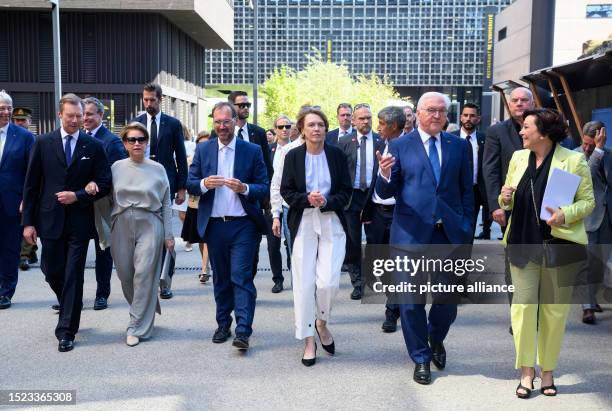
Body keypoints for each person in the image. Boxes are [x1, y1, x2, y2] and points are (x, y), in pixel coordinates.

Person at [376, 92, 474, 385]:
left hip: (448, 234)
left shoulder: (458, 146)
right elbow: (384, 195)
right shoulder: (399, 145)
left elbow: (466, 191)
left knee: (448, 300)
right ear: (417, 113)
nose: (437, 115)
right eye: (431, 110)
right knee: (409, 301)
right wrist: (383, 175)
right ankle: (420, 357)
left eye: (442, 111)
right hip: (410, 234)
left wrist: (466, 227)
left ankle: (434, 337)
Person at [500, 108, 594, 398]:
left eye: (526, 127)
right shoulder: (518, 158)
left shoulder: (573, 160)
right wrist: (504, 199)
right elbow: (507, 201)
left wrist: (565, 215)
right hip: (521, 244)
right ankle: (526, 372)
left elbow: (588, 202)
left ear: (543, 132)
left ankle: (548, 372)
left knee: (554, 313)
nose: (521, 132)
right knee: (523, 310)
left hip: (559, 246)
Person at [22, 94, 111, 352]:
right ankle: (70, 304)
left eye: (78, 116)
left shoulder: (92, 146)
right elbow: (30, 186)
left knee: (74, 274)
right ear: (60, 115)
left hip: (79, 223)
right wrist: (28, 223)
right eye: (69, 116)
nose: (74, 120)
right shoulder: (42, 143)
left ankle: (66, 330)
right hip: (48, 220)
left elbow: (105, 183)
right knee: (51, 271)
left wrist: (79, 195)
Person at [187, 102, 269, 351]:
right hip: (214, 225)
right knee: (221, 279)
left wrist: (244, 188)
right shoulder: (204, 149)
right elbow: (189, 182)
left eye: (227, 121)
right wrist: (203, 183)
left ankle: (243, 331)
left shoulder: (251, 150)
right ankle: (223, 324)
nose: (222, 126)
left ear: (235, 121)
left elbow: (264, 186)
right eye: (218, 122)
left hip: (244, 224)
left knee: (241, 277)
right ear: (213, 122)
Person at [281, 107, 351, 366]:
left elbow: (346, 191)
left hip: (331, 219)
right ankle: (309, 339)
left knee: (328, 282)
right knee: (304, 284)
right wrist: (306, 199)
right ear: (302, 129)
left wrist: (327, 201)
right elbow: (287, 191)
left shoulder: (336, 155)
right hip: (304, 222)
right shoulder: (293, 156)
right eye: (311, 124)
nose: (317, 129)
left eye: (321, 124)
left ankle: (322, 322)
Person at [97, 122, 174, 346]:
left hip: (150, 222)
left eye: (141, 139)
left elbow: (167, 202)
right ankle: (147, 307)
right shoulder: (116, 168)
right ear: (125, 144)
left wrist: (169, 234)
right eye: (132, 140)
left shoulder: (158, 169)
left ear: (147, 142)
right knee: (126, 275)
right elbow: (104, 197)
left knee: (144, 274)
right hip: (121, 222)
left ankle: (136, 326)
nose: (137, 143)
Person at [132, 82, 188, 299]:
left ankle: (166, 280)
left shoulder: (172, 124)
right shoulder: (137, 123)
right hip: (141, 185)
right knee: (144, 234)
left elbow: (180, 156)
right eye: (145, 100)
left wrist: (182, 186)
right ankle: (146, 279)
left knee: (167, 234)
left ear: (160, 99)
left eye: (152, 100)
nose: (148, 104)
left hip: (166, 184)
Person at [82, 96, 128, 311]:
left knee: (103, 252)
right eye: (83, 114)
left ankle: (102, 294)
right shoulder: (77, 137)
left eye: (90, 114)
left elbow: (116, 175)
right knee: (76, 253)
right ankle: (71, 295)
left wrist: (95, 183)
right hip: (79, 206)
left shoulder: (112, 141)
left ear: (101, 115)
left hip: (102, 206)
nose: (85, 118)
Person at [362, 106, 405, 332]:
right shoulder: (380, 145)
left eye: (381, 123)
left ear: (394, 126)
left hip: (399, 214)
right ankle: (393, 300)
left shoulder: (409, 148)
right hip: (378, 213)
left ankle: (392, 311)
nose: (377, 127)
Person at [337, 103, 380, 300]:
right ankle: (358, 282)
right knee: (352, 242)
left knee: (375, 241)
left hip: (374, 197)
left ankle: (373, 279)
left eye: (368, 118)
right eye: (361, 118)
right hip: (351, 198)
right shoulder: (345, 142)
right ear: (353, 121)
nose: (365, 121)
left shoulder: (381, 141)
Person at [0, 92, 35, 310]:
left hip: (11, 203)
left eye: (7, 108)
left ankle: (5, 292)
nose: (4, 112)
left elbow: (32, 173)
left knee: (10, 249)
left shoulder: (23, 136)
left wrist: (27, 199)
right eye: (1, 108)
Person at [575, 121, 610, 324]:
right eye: (586, 143)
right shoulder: (574, 155)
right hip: (587, 218)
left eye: (592, 144)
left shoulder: (609, 154)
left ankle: (592, 297)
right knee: (586, 263)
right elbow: (584, 178)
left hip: (607, 219)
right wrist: (596, 151)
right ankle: (586, 306)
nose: (587, 147)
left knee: (601, 264)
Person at [451, 103, 492, 240]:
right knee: (454, 226)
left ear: (478, 119)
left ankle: (465, 256)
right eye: (466, 115)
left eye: (472, 115)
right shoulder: (449, 138)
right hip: (454, 189)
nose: (468, 118)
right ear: (461, 118)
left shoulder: (485, 139)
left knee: (470, 226)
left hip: (476, 190)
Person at [265, 115, 293, 293]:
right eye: (280, 126)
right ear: (275, 129)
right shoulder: (268, 150)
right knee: (272, 243)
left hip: (292, 202)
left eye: (287, 126)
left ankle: (295, 274)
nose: (284, 129)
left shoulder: (298, 148)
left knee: (293, 243)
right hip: (271, 202)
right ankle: (278, 279)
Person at [181, 130, 212, 284]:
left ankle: (205, 268)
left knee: (207, 236)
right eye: (200, 144)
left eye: (206, 144)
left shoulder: (216, 158)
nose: (203, 147)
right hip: (195, 202)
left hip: (212, 202)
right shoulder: (191, 159)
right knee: (200, 237)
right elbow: (188, 180)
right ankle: (205, 264)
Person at [11, 107, 39, 272]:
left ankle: (24, 256)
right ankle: (29, 252)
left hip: (29, 187)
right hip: (12, 188)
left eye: (23, 120)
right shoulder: (8, 138)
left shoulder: (34, 140)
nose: (20, 123)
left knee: (28, 223)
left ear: (29, 121)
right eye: (17, 120)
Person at [180, 124, 196, 252]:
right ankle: (188, 235)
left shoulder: (191, 144)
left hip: (190, 180)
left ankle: (189, 240)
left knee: (189, 211)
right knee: (181, 214)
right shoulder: (173, 144)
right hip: (179, 181)